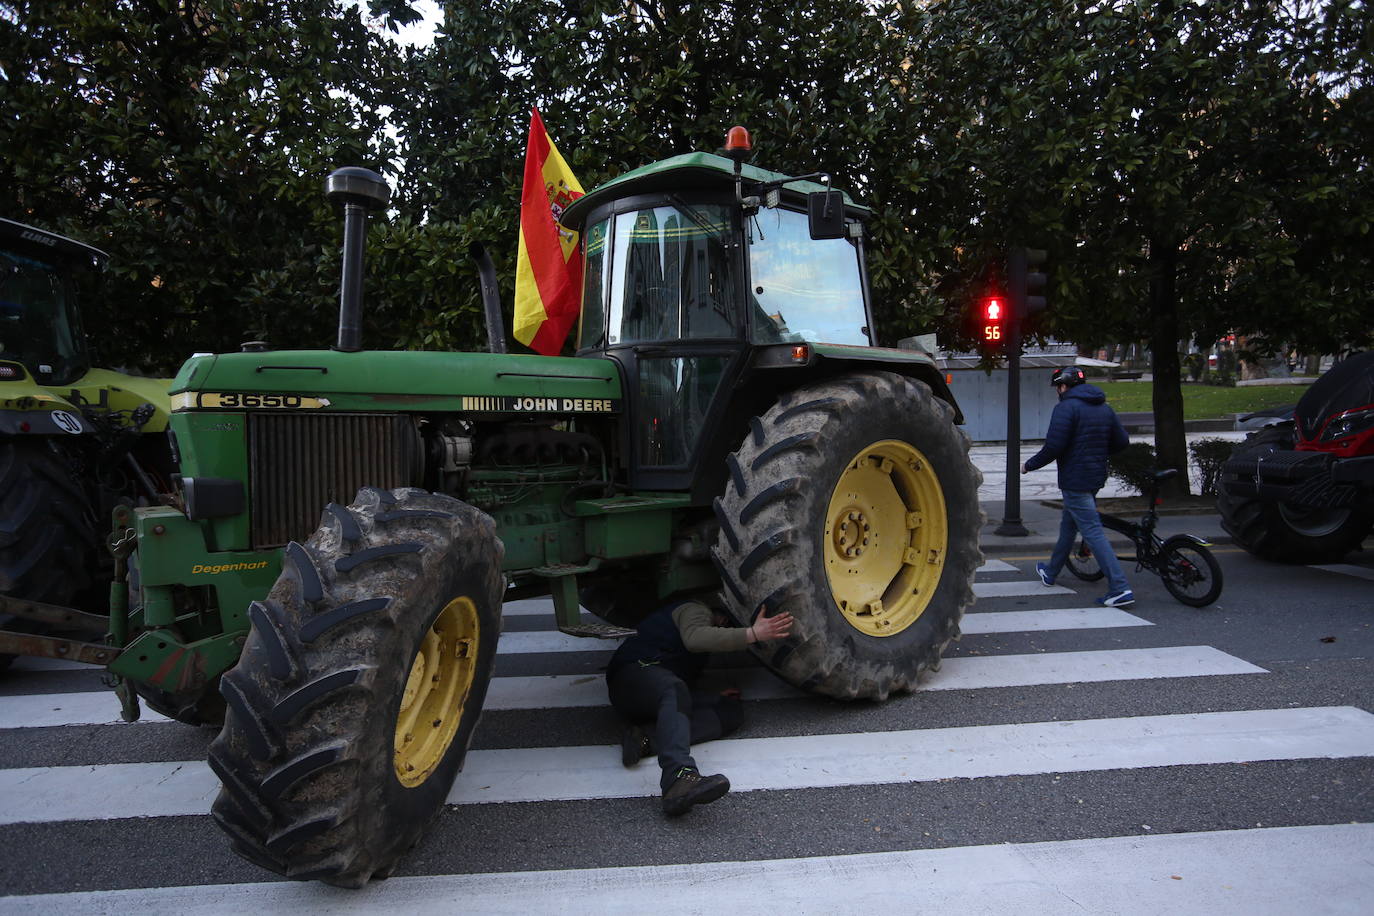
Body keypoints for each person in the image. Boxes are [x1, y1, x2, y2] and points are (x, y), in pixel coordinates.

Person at [605, 596, 793, 816]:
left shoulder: (702, 639)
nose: (726, 627)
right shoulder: (693, 608)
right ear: (722, 614)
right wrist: (752, 634)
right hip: (631, 680)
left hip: (660, 691)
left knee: (729, 711)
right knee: (673, 688)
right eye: (728, 622)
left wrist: (705, 695)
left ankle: (644, 738)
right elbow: (694, 639)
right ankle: (679, 778)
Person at [1022, 365, 1134, 607]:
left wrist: (1029, 465)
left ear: (1063, 387)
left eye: (1057, 388)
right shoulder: (1103, 407)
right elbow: (1122, 441)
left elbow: (1054, 446)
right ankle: (1051, 572)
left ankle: (1120, 588)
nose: (1057, 392)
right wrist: (1098, 452)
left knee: (1092, 531)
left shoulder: (1066, 408)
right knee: (1068, 525)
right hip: (1095, 476)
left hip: (1075, 479)